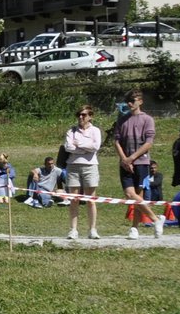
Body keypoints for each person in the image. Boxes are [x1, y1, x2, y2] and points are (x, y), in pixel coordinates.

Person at [114, 89, 159, 240]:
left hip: (141, 162)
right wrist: (124, 159)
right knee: (129, 194)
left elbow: (148, 143)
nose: (130, 103)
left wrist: (132, 158)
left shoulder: (148, 119)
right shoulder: (122, 120)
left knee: (138, 196)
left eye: (133, 100)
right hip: (125, 163)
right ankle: (156, 219)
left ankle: (134, 228)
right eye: (128, 100)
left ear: (140, 101)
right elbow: (117, 141)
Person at [64, 105, 103, 240]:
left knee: (90, 199)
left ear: (90, 116)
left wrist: (79, 144)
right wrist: (85, 147)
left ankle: (92, 229)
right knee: (74, 199)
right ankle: (73, 229)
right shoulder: (71, 131)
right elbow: (69, 147)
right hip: (73, 166)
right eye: (79, 115)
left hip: (90, 166)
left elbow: (95, 147)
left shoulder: (96, 130)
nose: (81, 117)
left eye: (84, 115)